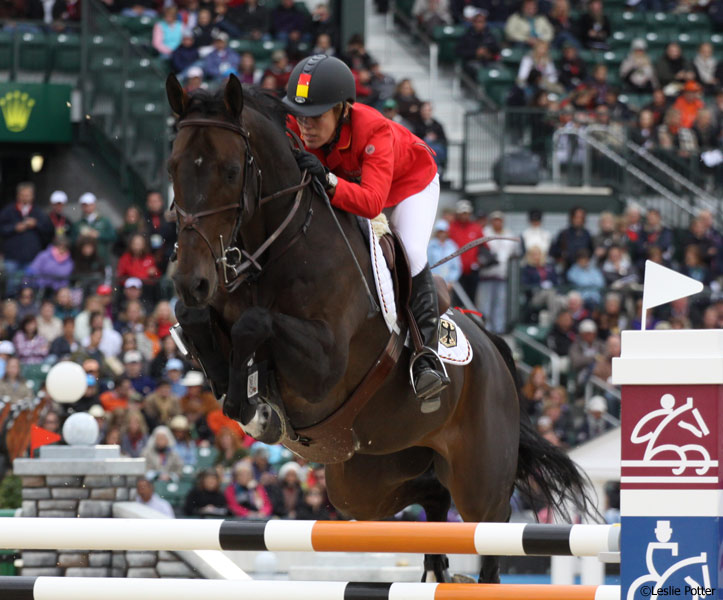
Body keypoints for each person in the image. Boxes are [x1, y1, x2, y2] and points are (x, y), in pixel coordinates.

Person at [284, 54, 448, 411]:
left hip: (409, 187)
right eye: (300, 116)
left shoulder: (374, 130)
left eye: (315, 117)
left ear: (342, 110)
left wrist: (327, 180)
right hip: (356, 184)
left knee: (411, 251)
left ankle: (425, 356)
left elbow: (373, 203)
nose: (305, 126)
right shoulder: (295, 125)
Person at [0, 182, 54, 296]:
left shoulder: (39, 212)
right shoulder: (8, 211)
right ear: (18, 195)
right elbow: (2, 228)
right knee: (11, 288)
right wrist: (14, 228)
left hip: (32, 258)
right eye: (23, 195)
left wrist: (36, 224)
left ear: (32, 196)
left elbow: (49, 231)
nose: (25, 198)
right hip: (12, 258)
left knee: (29, 289)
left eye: (27, 195)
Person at [71, 193, 116, 263]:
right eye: (85, 205)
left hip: (102, 260)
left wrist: (98, 235)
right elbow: (72, 241)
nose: (88, 207)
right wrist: (80, 237)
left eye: (90, 204)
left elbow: (113, 236)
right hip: (84, 262)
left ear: (94, 204)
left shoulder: (104, 221)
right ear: (82, 207)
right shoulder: (78, 224)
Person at [427, 220, 461, 290]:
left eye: (443, 231)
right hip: (432, 283)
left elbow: (456, 266)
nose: (442, 234)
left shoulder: (452, 246)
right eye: (440, 231)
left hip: (447, 284)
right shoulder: (430, 246)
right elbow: (427, 265)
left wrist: (451, 281)